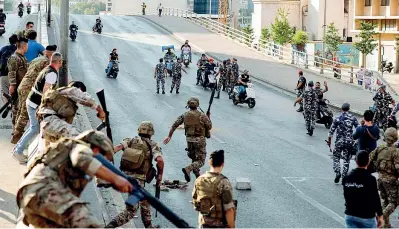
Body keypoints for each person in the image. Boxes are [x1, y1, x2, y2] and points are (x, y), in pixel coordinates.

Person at [17, 130, 133, 228]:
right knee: (90, 224)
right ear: (97, 149)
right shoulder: (81, 147)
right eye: (103, 158)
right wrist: (115, 178)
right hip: (43, 191)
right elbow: (80, 158)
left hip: (34, 200)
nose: (103, 163)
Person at [106, 121, 164, 228]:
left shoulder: (131, 140)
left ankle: (149, 226)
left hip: (125, 178)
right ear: (151, 133)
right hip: (136, 183)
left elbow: (117, 148)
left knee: (144, 200)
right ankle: (110, 226)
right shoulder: (153, 145)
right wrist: (160, 175)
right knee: (131, 210)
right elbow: (160, 160)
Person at [11, 52, 61, 163]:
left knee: (33, 127)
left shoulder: (47, 68)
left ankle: (17, 149)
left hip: (31, 101)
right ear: (59, 62)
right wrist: (43, 108)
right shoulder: (52, 74)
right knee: (35, 129)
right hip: (35, 104)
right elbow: (45, 92)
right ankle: (18, 151)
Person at [37, 81, 106, 147]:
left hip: (46, 127)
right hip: (51, 122)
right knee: (81, 141)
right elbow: (85, 98)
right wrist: (100, 111)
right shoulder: (71, 90)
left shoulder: (61, 99)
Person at [164, 97, 212, 182]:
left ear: (188, 105)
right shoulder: (202, 115)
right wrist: (208, 117)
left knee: (194, 158)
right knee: (200, 161)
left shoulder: (185, 115)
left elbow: (175, 125)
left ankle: (197, 176)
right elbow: (209, 126)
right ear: (197, 105)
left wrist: (169, 136)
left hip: (189, 140)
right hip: (199, 140)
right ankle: (188, 169)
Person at [192, 150, 236, 228]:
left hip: (203, 224)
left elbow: (196, 203)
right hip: (219, 225)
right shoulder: (223, 182)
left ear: (210, 163)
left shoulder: (199, 179)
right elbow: (228, 210)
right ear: (222, 164)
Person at [343, 150, 383, 229]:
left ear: (356, 161)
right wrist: (380, 215)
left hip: (350, 215)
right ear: (368, 162)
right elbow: (375, 198)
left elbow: (346, 196)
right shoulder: (370, 179)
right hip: (366, 216)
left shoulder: (347, 177)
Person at [369, 128, 399, 228]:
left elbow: (370, 157)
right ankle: (380, 217)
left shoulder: (380, 148)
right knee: (393, 202)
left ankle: (386, 224)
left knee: (386, 201)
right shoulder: (395, 152)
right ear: (395, 138)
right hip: (391, 180)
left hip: (380, 179)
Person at [327, 103, 359, 184]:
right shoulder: (353, 118)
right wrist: (356, 141)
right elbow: (358, 129)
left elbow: (331, 131)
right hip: (349, 142)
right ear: (349, 108)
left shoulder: (338, 118)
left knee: (336, 157)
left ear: (341, 109)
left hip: (339, 141)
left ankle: (337, 172)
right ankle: (344, 177)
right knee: (346, 160)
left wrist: (329, 141)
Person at [7, 37, 28, 132]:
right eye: (27, 46)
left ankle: (18, 130)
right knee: (16, 109)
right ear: (23, 46)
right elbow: (12, 73)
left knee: (20, 109)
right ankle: (15, 130)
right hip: (17, 88)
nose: (27, 48)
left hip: (22, 88)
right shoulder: (14, 58)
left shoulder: (22, 57)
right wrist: (12, 87)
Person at [0, 34, 17, 104]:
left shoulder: (3, 49)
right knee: (15, 92)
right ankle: (14, 108)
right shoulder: (18, 50)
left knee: (4, 93)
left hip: (3, 74)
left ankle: (7, 106)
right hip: (14, 75)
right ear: (17, 41)